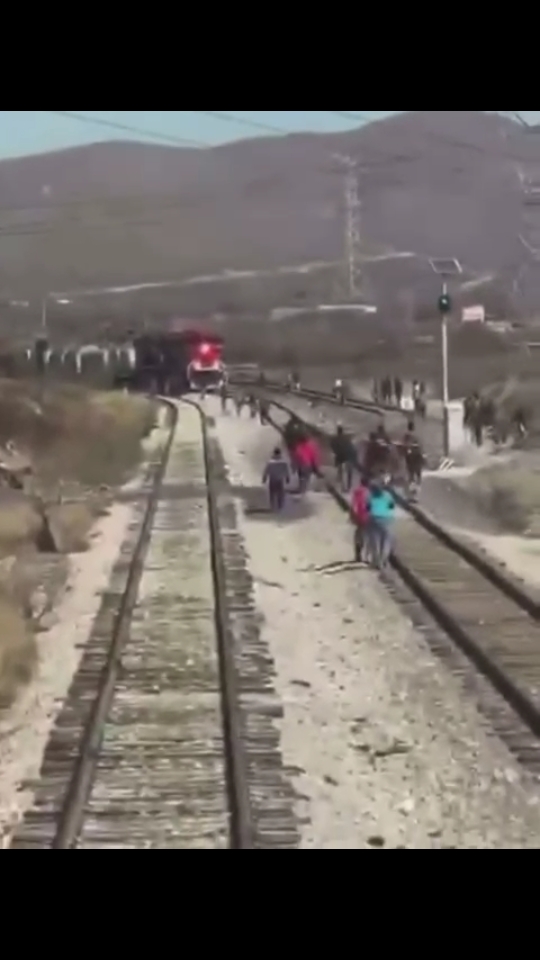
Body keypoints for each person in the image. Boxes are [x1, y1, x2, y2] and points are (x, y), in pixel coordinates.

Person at [367, 479, 396, 570]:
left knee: (375, 542)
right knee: (386, 542)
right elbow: (392, 506)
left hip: (374, 518)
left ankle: (376, 562)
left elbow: (367, 507)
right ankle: (383, 561)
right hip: (387, 519)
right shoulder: (387, 495)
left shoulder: (370, 496)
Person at [262, 447, 290, 512]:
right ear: (280, 453)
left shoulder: (270, 462)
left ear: (274, 453)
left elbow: (266, 471)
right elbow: (286, 471)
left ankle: (273, 506)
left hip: (273, 479)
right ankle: (280, 506)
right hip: (280, 479)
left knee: (272, 493)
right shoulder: (283, 462)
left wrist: (264, 478)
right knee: (280, 493)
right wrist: (287, 478)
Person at [330, 424, 356, 492]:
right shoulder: (346, 438)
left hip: (340, 457)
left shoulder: (334, 439)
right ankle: (348, 486)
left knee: (341, 472)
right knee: (349, 472)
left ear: (337, 431)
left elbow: (333, 447)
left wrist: (336, 453)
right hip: (348, 456)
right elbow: (351, 447)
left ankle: (342, 486)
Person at [351, 476, 371, 563]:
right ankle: (367, 556)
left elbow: (354, 504)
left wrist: (352, 515)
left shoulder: (357, 491)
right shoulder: (370, 492)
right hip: (368, 516)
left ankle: (358, 555)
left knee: (358, 535)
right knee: (368, 536)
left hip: (359, 516)